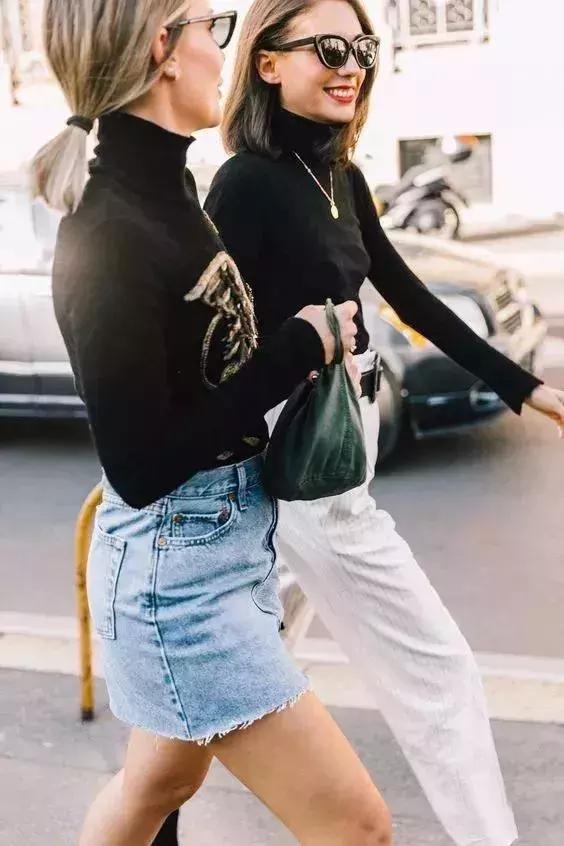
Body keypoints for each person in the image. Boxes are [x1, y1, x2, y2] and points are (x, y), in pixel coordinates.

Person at [31, 2, 398, 844]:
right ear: (163, 48)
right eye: (212, 28)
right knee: (361, 828)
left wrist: (300, 337)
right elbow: (139, 463)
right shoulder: (109, 230)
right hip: (178, 575)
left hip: (228, 542)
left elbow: (199, 367)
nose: (221, 52)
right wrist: (294, 349)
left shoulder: (172, 188)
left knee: (154, 787)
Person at [201, 1, 564, 845]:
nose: (351, 64)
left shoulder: (341, 175)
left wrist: (524, 387)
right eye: (329, 47)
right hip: (304, 460)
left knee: (243, 651)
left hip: (339, 443)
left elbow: (408, 296)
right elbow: (209, 342)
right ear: (266, 63)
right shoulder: (246, 183)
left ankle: (156, 794)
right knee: (439, 670)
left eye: (363, 46)